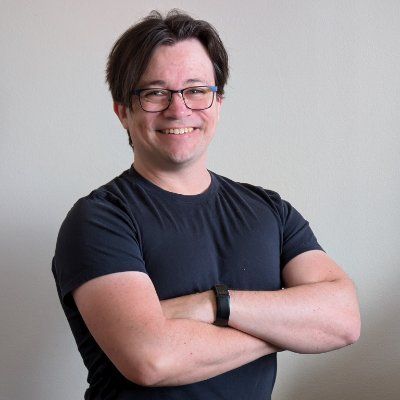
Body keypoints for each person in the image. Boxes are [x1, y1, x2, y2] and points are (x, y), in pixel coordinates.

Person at [52, 9, 360, 400]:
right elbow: (151, 358)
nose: (178, 109)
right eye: (155, 92)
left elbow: (344, 320)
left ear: (219, 102)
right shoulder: (99, 219)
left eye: (196, 90)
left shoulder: (269, 211)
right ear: (123, 111)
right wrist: (288, 330)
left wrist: (213, 305)